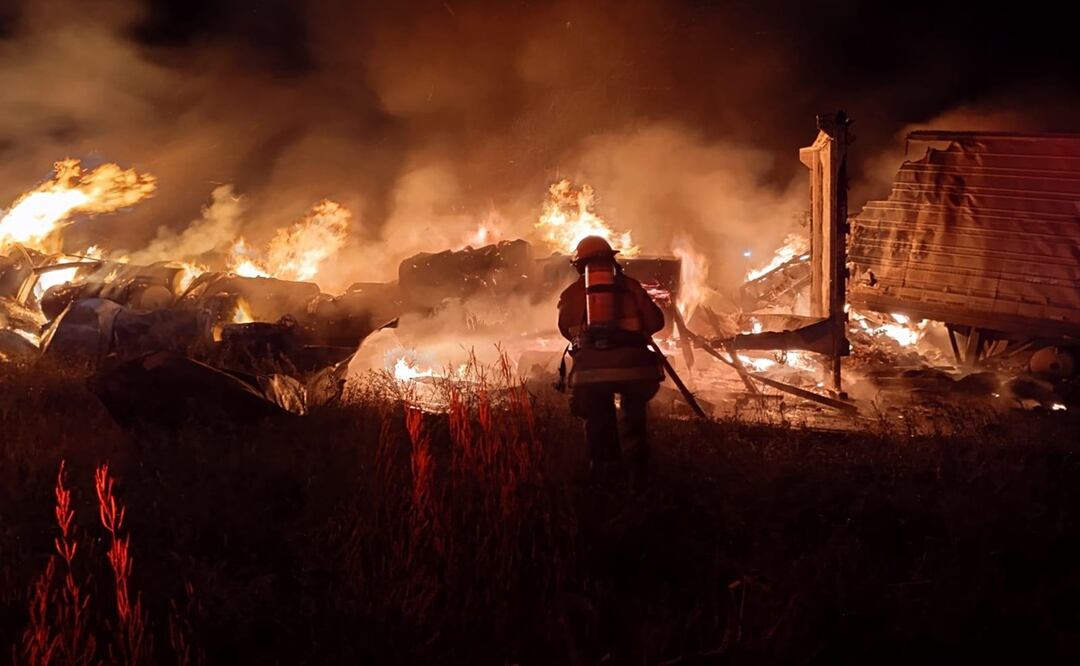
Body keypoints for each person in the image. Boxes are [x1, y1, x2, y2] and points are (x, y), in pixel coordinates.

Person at [557, 235, 666, 487]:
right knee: (634, 421)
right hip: (636, 371)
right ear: (612, 260)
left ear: (578, 264)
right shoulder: (630, 286)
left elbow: (565, 329)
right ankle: (640, 480)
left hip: (591, 374)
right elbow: (656, 323)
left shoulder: (572, 293)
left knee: (599, 421)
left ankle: (606, 480)